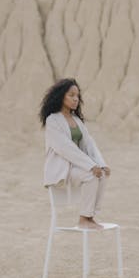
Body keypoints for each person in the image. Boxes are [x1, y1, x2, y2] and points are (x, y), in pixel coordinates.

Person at [40, 78, 110, 230]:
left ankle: (90, 216)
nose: (76, 99)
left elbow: (89, 145)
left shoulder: (77, 120)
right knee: (91, 175)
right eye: (71, 95)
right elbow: (65, 148)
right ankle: (83, 219)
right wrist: (91, 166)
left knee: (102, 175)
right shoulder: (53, 120)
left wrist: (101, 164)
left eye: (77, 96)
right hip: (61, 169)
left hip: (77, 168)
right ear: (61, 96)